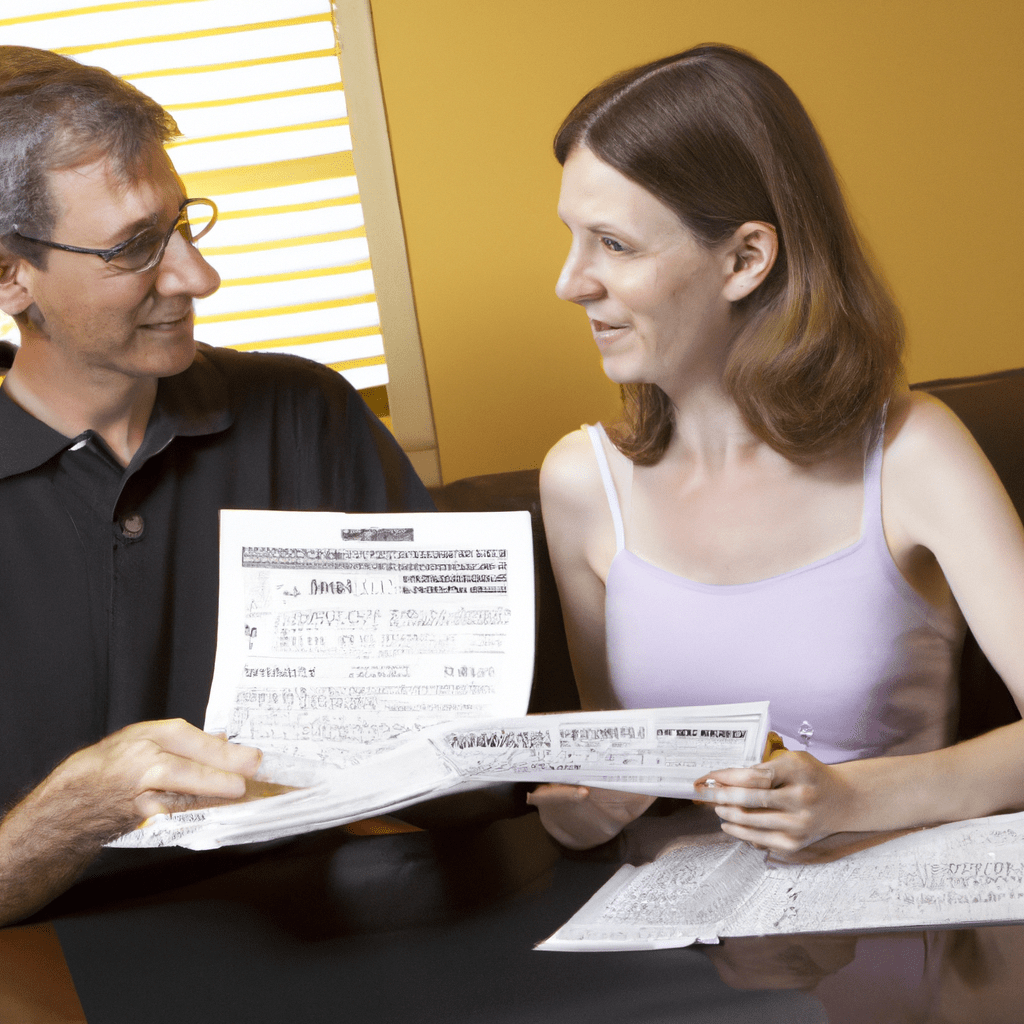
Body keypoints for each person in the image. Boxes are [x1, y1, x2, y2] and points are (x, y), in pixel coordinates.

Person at [528, 44, 1024, 854]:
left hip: (893, 932)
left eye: (613, 245)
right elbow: (612, 771)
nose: (571, 281)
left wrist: (854, 795)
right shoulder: (581, 482)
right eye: (572, 239)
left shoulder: (912, 453)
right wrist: (582, 810)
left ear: (746, 259)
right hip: (695, 946)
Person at [0, 46, 434, 926]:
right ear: (11, 275)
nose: (198, 277)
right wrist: (64, 820)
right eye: (134, 249)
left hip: (324, 928)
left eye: (185, 223)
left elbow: (449, 743)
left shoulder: (306, 412)